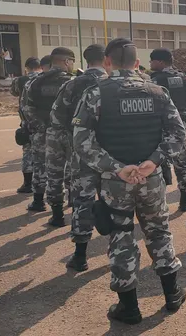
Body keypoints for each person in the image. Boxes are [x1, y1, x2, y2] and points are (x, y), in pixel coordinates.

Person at [72, 38, 186, 324]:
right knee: (159, 232)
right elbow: (177, 135)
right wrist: (154, 161)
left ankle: (129, 308)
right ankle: (172, 295)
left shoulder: (95, 93)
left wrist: (117, 168)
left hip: (115, 182)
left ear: (107, 63)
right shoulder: (158, 92)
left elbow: (81, 141)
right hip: (151, 179)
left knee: (121, 237)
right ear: (137, 63)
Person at [46, 44, 109, 270]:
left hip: (82, 153)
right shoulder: (114, 84)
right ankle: (118, 255)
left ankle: (81, 256)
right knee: (114, 201)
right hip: (112, 154)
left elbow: (57, 117)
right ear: (107, 59)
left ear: (86, 60)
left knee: (82, 201)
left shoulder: (72, 85)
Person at [23, 48, 75, 212]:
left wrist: (40, 127)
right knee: (71, 169)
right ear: (66, 61)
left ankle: (39, 202)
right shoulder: (73, 82)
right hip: (69, 133)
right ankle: (73, 204)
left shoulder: (34, 82)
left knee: (42, 167)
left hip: (44, 133)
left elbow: (26, 109)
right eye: (72, 61)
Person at [149, 48, 186, 211]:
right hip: (179, 125)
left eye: (152, 61)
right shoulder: (182, 77)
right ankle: (185, 200)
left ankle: (160, 202)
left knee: (158, 163)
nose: (150, 64)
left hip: (160, 126)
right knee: (182, 163)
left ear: (160, 62)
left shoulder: (155, 80)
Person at [11, 57, 43, 194]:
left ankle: (28, 184)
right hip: (44, 122)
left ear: (26, 68)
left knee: (28, 152)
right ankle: (45, 184)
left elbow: (14, 93)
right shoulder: (45, 79)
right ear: (40, 67)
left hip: (27, 121)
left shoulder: (20, 80)